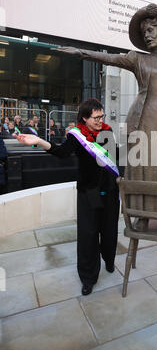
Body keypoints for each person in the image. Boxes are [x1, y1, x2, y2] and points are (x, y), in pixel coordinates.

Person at [55, 3, 157, 230]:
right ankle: (140, 213)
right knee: (141, 169)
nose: (147, 36)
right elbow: (108, 58)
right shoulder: (137, 59)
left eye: (150, 31)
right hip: (142, 122)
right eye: (144, 33)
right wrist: (81, 52)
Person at [14, 98, 120, 296]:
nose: (100, 120)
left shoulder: (107, 132)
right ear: (85, 118)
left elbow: (114, 158)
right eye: (96, 117)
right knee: (88, 235)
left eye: (102, 116)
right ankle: (88, 277)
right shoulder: (76, 136)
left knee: (109, 230)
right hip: (89, 192)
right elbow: (61, 152)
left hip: (110, 191)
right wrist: (38, 141)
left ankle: (109, 260)